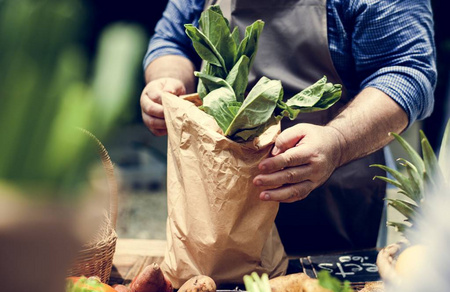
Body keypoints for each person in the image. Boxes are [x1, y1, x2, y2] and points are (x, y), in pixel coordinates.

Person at [140, 0, 436, 256]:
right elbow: (171, 41)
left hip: (329, 208)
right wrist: (165, 80)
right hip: (214, 212)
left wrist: (338, 141)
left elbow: (407, 70)